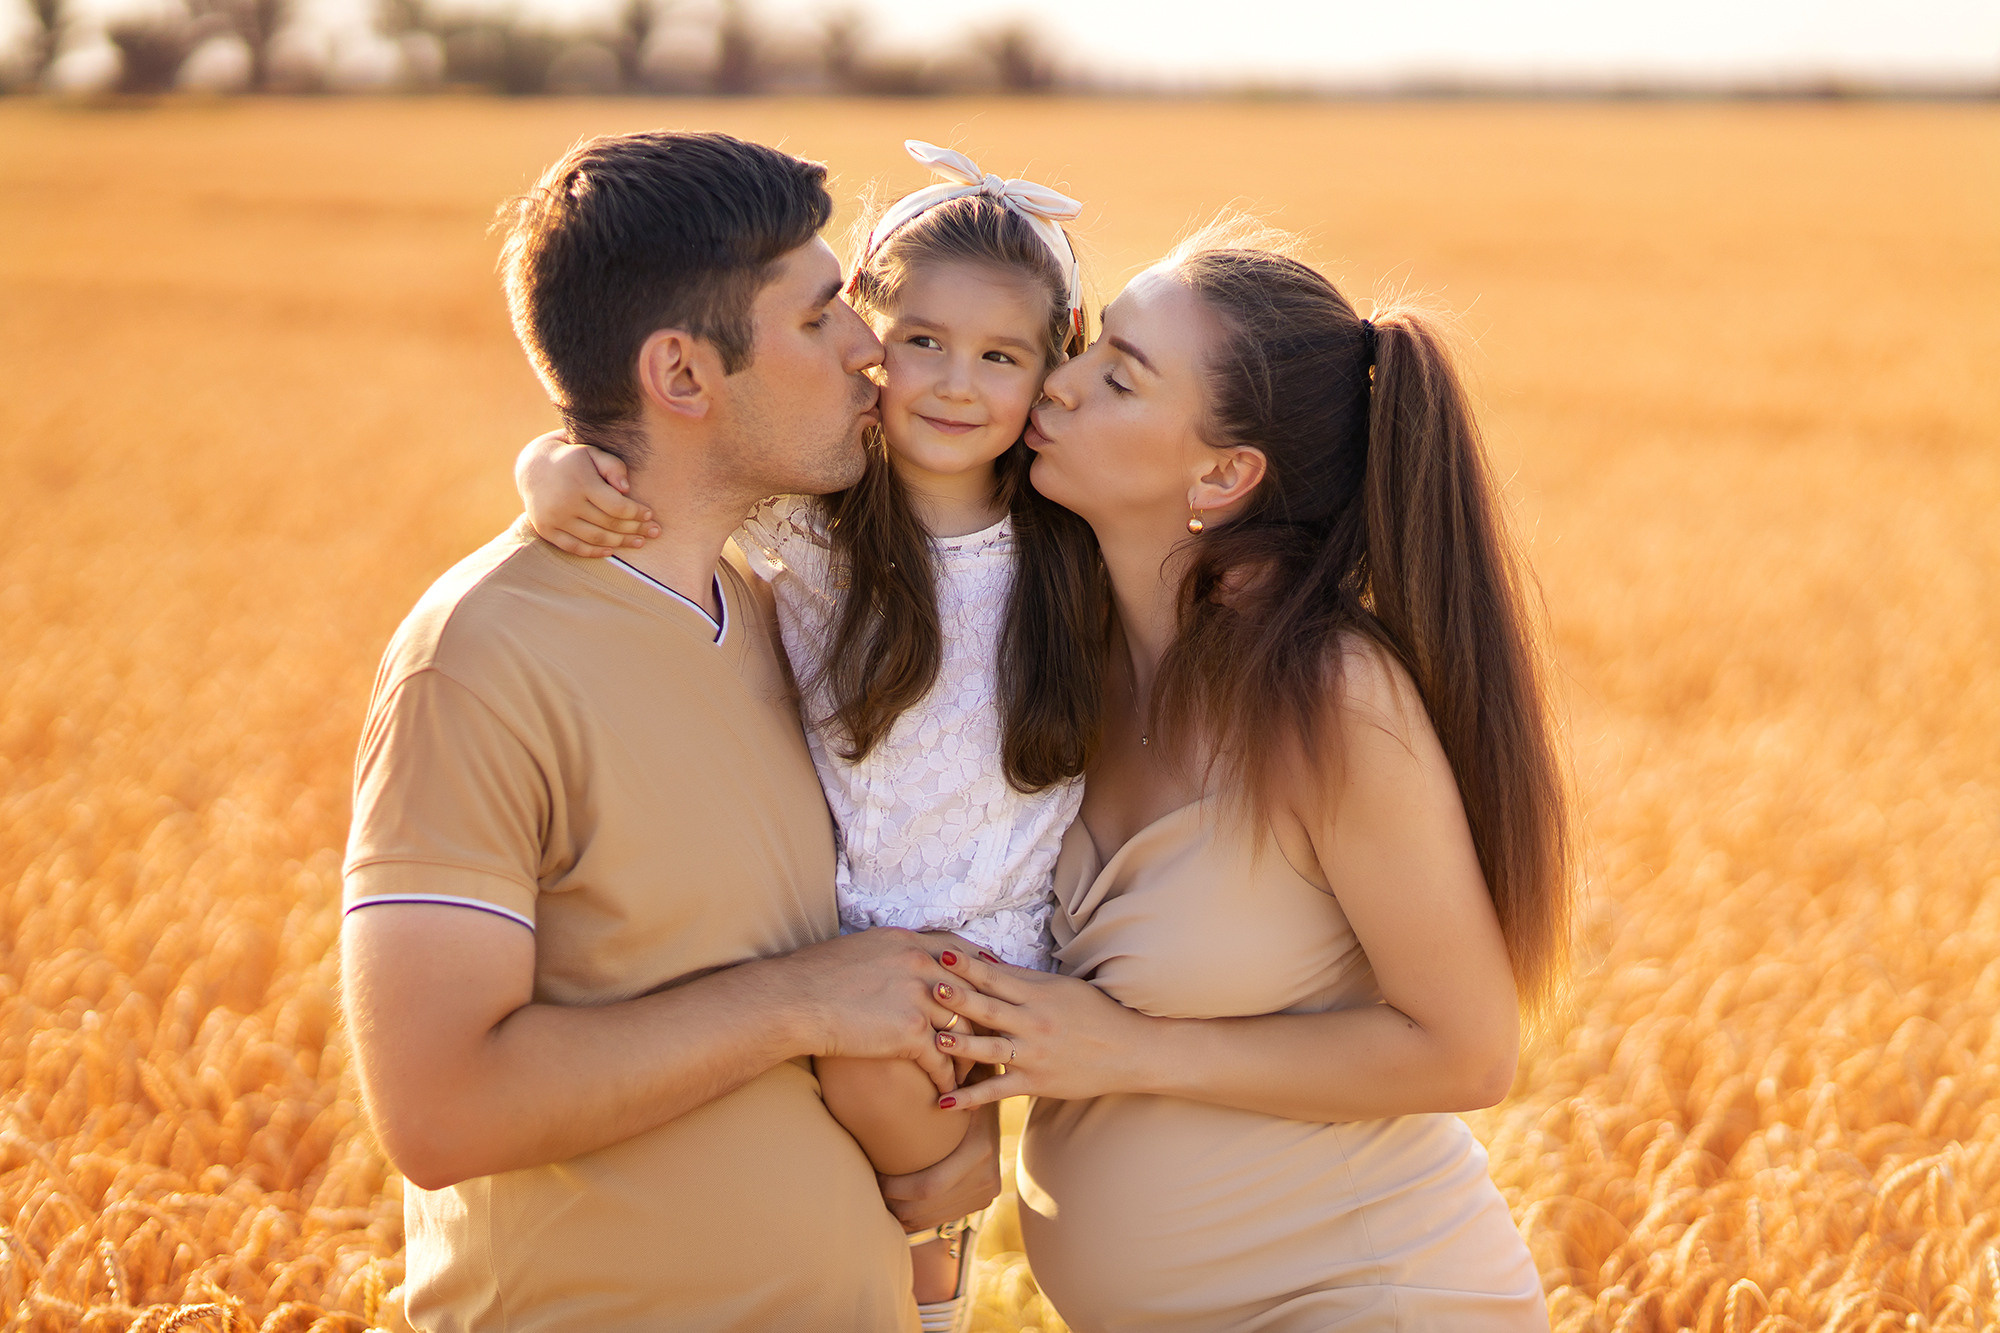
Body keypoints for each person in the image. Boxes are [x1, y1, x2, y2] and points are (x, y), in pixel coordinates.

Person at [340, 130, 1002, 1333]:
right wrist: (798, 1003)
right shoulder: (481, 659)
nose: (871, 352)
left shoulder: (781, 622)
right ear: (682, 376)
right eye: (818, 320)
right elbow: (439, 1111)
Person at [927, 226, 1574, 1330]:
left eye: (1116, 376)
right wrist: (562, 473)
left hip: (1367, 1302)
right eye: (1083, 346)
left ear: (1223, 473)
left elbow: (1466, 1050)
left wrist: (1126, 1048)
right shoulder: (1056, 648)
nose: (1058, 381)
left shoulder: (1325, 695)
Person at [516, 140, 1108, 1333]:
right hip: (843, 925)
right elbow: (655, 467)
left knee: (892, 1104)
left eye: (999, 358)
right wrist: (545, 470)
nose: (951, 384)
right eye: (920, 343)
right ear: (868, 342)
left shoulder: (1070, 536)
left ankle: (939, 1268)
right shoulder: (820, 515)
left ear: (1049, 376)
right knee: (856, 1088)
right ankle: (922, 1252)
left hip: (995, 932)